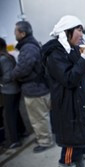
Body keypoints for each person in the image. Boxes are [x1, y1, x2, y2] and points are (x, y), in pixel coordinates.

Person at [42, 15, 85, 167]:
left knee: (81, 146)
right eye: (79, 30)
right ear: (67, 31)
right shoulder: (55, 53)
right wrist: (84, 58)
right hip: (68, 110)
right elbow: (69, 79)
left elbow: (82, 76)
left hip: (80, 107)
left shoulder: (72, 49)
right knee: (70, 150)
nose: (82, 35)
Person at [11, 21, 53, 153]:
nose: (14, 34)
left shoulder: (28, 48)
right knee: (42, 116)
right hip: (39, 87)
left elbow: (23, 68)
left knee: (39, 118)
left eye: (16, 31)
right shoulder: (32, 44)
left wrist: (12, 75)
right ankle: (43, 137)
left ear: (22, 33)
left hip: (35, 90)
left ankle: (45, 141)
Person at [0, 37, 22, 148]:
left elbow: (7, 76)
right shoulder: (10, 56)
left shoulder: (2, 59)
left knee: (8, 116)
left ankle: (13, 140)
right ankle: (21, 133)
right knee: (15, 113)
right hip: (16, 89)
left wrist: (1, 83)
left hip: (8, 90)